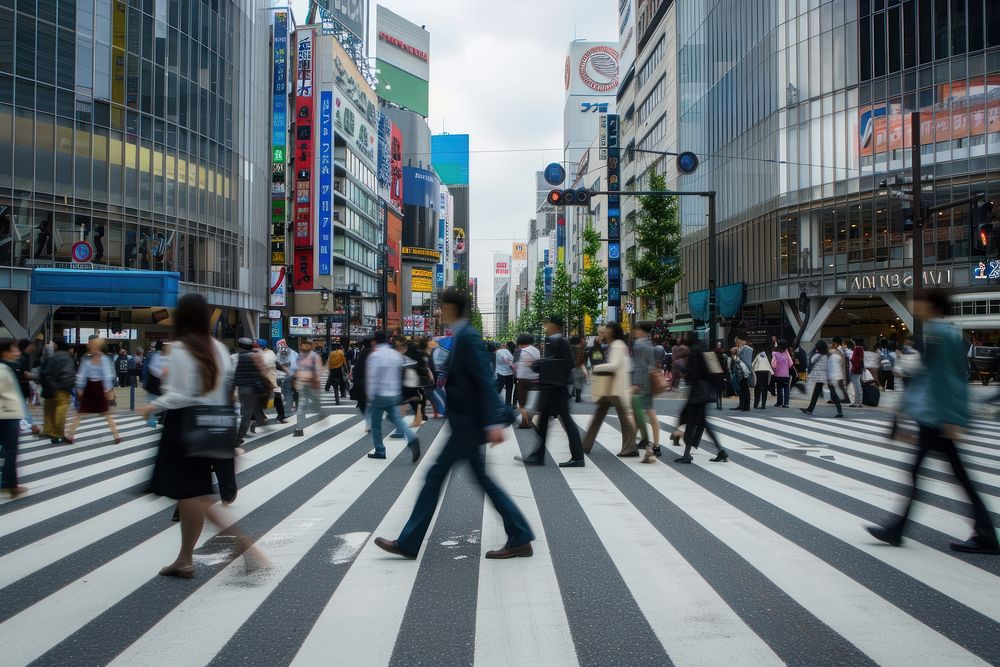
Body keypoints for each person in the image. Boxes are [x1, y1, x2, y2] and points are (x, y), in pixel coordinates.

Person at [374, 288, 533, 560]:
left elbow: (483, 379)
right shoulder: (462, 335)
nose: (439, 311)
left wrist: (493, 422)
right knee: (477, 480)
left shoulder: (467, 337)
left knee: (436, 477)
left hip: (467, 424)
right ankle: (519, 535)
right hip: (466, 422)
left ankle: (409, 542)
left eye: (442, 307)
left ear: (450, 308)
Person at [138, 293, 265, 578]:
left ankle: (246, 548)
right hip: (216, 422)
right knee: (190, 496)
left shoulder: (182, 349)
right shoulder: (218, 347)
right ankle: (184, 559)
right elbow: (220, 388)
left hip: (187, 425)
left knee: (195, 496)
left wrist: (152, 406)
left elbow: (180, 395)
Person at [867, 291, 999, 555]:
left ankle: (899, 529)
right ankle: (983, 533)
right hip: (936, 416)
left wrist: (950, 419)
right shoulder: (940, 333)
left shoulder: (940, 335)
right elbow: (930, 379)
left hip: (938, 418)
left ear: (931, 305)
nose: (914, 304)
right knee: (950, 475)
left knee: (940, 475)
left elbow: (945, 379)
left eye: (919, 301)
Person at [517, 315, 584, 467]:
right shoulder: (555, 341)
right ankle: (539, 455)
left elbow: (567, 364)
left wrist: (538, 364)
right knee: (544, 422)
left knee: (565, 421)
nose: (546, 327)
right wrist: (539, 364)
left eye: (548, 324)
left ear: (555, 326)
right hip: (552, 387)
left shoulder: (559, 341)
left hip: (556, 389)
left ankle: (577, 456)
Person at [581, 321, 638, 457]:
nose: (602, 332)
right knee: (603, 415)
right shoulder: (613, 345)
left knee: (619, 417)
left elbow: (614, 365)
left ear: (612, 331)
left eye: (605, 330)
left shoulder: (617, 345)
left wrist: (595, 368)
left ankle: (630, 446)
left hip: (615, 387)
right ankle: (585, 445)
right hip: (611, 386)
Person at [365, 330, 421, 461]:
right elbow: (408, 365)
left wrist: (370, 396)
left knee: (376, 424)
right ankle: (412, 438)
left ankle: (380, 450)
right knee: (396, 418)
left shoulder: (375, 356)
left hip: (379, 394)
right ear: (388, 340)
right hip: (394, 393)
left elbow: (372, 377)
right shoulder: (395, 354)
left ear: (374, 341)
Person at [671, 341, 728, 464]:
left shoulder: (695, 354)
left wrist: (682, 368)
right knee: (704, 424)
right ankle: (721, 451)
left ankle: (687, 454)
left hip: (697, 394)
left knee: (691, 423)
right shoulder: (707, 355)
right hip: (706, 392)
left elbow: (692, 374)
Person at [65, 337, 121, 444]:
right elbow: (106, 375)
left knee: (82, 412)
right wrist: (107, 390)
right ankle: (116, 435)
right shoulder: (102, 359)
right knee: (105, 413)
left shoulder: (88, 359)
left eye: (91, 345)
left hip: (92, 387)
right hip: (98, 387)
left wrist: (80, 389)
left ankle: (70, 435)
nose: (90, 347)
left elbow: (82, 375)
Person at [0, 339, 28, 497]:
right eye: (14, 349)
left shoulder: (8, 368)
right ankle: (10, 485)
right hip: (7, 415)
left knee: (8, 450)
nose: (18, 352)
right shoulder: (3, 370)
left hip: (8, 414)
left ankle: (8, 483)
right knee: (11, 450)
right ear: (5, 352)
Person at [631, 321, 661, 461]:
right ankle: (654, 444)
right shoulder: (650, 344)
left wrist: (636, 384)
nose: (635, 332)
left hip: (642, 382)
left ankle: (651, 444)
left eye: (637, 329)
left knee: (645, 413)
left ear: (642, 331)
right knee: (644, 412)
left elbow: (639, 366)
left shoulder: (638, 345)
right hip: (648, 380)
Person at [233, 338, 265, 444]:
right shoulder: (253, 356)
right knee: (247, 412)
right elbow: (258, 372)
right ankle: (238, 436)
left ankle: (259, 423)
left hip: (241, 388)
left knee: (249, 409)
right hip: (250, 388)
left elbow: (236, 373)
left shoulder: (238, 356)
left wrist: (233, 388)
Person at [293, 339, 323, 437]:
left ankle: (319, 411)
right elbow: (296, 368)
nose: (304, 351)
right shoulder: (299, 356)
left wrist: (315, 381)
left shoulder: (314, 356)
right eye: (303, 349)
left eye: (306, 349)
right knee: (301, 405)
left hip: (312, 384)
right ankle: (299, 428)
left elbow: (318, 371)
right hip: (302, 384)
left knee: (315, 402)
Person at [800, 340, 835, 415]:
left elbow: (812, 362)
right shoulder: (828, 355)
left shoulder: (819, 356)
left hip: (823, 378)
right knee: (816, 393)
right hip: (827, 377)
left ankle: (840, 411)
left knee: (831, 393)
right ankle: (810, 409)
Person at [513, 333, 540, 429]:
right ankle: (529, 419)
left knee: (522, 404)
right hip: (536, 379)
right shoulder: (537, 351)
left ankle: (524, 423)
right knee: (531, 401)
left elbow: (514, 366)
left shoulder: (520, 351)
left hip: (523, 379)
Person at [256, 338, 286, 423]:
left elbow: (260, 366)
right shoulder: (271, 353)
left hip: (266, 381)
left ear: (259, 346)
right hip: (271, 380)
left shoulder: (266, 355)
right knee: (277, 397)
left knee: (257, 398)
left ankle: (279, 416)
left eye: (257, 345)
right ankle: (280, 416)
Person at [731, 333, 754, 411]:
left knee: (745, 389)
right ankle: (743, 405)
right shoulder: (740, 348)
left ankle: (746, 406)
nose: (735, 340)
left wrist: (734, 356)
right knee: (742, 388)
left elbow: (744, 361)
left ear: (740, 339)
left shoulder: (746, 349)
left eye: (736, 338)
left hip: (744, 372)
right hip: (740, 371)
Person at [275, 340, 298, 414]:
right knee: (287, 390)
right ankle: (289, 402)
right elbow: (278, 362)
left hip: (295, 374)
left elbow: (294, 367)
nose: (282, 352)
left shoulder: (293, 354)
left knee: (294, 389)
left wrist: (285, 367)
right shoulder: (280, 353)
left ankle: (295, 404)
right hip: (285, 375)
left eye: (283, 350)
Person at [770, 339, 794, 408]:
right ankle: (786, 403)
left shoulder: (775, 353)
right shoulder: (786, 353)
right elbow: (791, 363)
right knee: (786, 389)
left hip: (778, 374)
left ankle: (779, 402)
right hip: (786, 374)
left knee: (779, 388)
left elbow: (773, 364)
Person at [495, 340, 515, 406]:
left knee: (498, 389)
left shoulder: (500, 351)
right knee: (509, 390)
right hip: (509, 374)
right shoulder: (509, 352)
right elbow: (508, 360)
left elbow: (505, 359)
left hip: (500, 373)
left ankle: (494, 403)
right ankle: (508, 405)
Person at [849, 339, 866, 408]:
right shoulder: (859, 348)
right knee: (856, 386)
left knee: (856, 386)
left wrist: (861, 368)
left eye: (853, 341)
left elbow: (859, 359)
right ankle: (857, 402)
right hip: (857, 369)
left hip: (856, 369)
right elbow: (860, 359)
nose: (852, 343)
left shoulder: (858, 348)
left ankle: (857, 402)